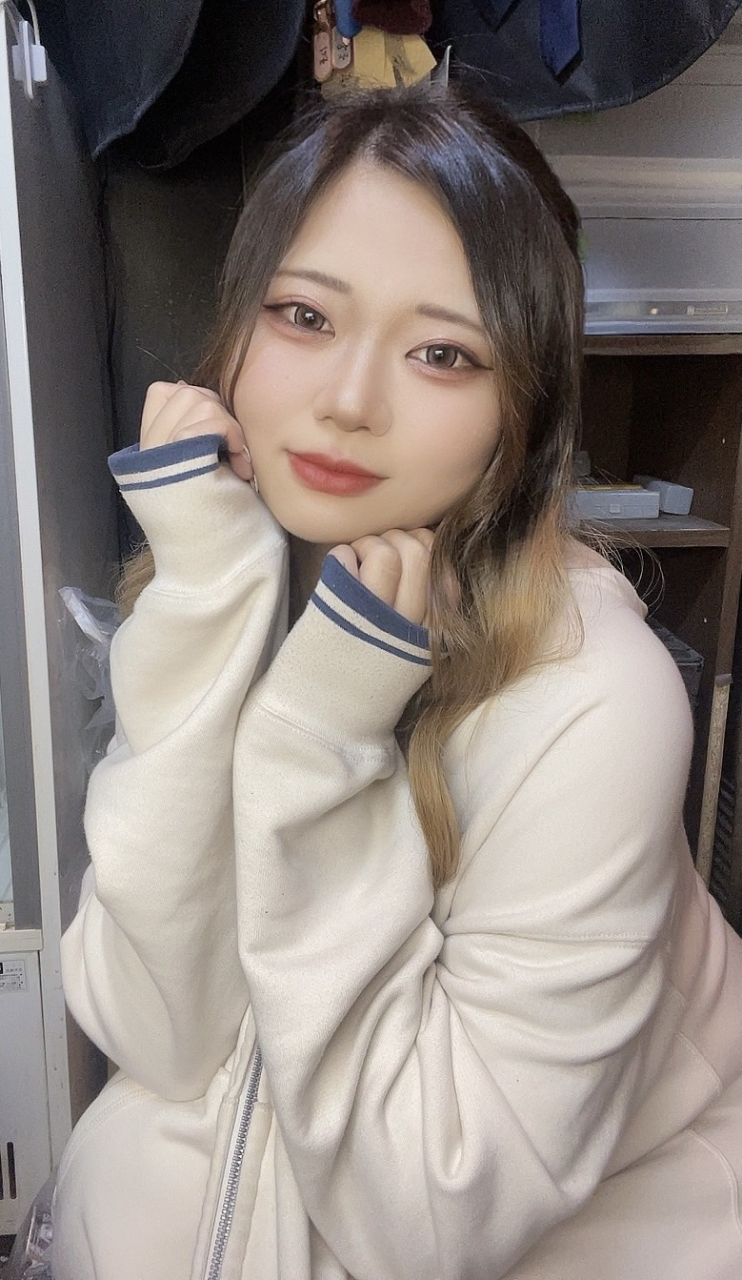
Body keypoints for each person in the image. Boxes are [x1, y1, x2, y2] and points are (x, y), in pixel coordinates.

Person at [52, 81, 742, 1280]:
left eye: (441, 352)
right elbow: (155, 1026)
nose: (347, 401)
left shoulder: (597, 698)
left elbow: (422, 1215)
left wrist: (324, 730)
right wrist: (202, 599)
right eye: (304, 315)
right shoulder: (249, 567)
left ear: (521, 410)